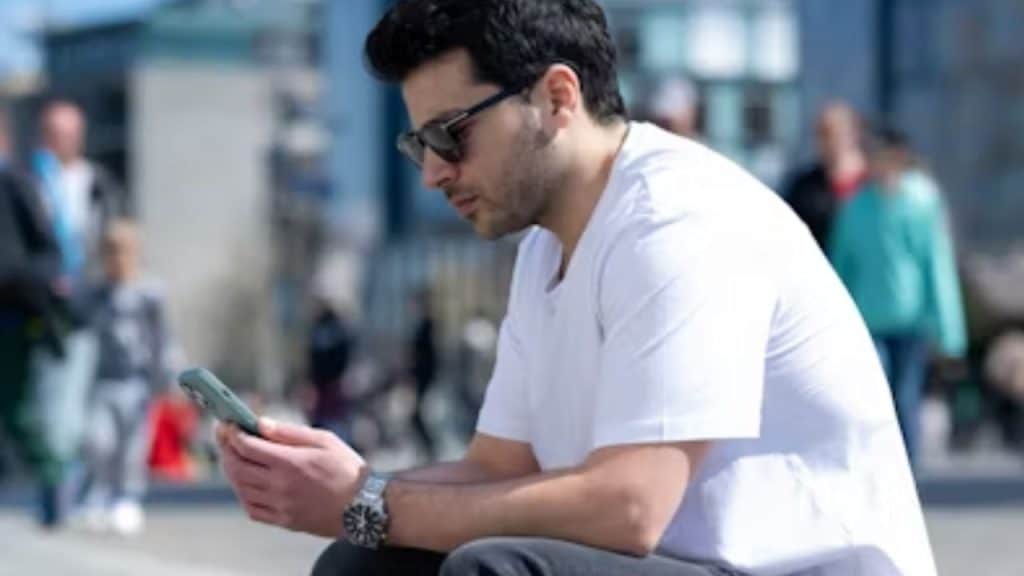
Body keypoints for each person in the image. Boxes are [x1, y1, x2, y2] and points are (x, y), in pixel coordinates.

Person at [215, 2, 935, 575]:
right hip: (682, 564)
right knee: (365, 563)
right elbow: (498, 469)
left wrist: (370, 502)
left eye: (448, 135)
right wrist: (338, 485)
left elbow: (630, 507)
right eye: (416, 146)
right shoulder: (545, 247)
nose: (432, 173)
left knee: (495, 569)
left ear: (558, 98)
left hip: (787, 566)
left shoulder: (676, 221)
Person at [830, 128, 967, 469]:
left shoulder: (922, 202)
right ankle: (874, 469)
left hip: (910, 321)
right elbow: (840, 266)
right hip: (868, 320)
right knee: (872, 400)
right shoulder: (856, 207)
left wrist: (950, 331)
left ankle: (905, 472)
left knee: (906, 399)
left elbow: (936, 264)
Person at [77, 219, 174, 535]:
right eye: (111, 252)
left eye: (123, 251)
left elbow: (163, 340)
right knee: (98, 441)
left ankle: (127, 498)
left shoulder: (149, 295)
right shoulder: (95, 293)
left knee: (131, 446)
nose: (117, 258)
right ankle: (98, 493)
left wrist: (167, 376)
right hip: (102, 381)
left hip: (136, 381)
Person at [0, 107, 66, 527]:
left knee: (17, 411)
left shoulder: (15, 184)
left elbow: (48, 255)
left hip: (11, 317)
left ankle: (53, 479)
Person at [783, 102, 868, 251]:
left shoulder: (874, 183)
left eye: (836, 132)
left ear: (854, 133)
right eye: (823, 133)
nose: (830, 141)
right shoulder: (804, 188)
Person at [407, 288, 439, 460]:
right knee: (416, 416)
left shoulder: (427, 326)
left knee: (417, 416)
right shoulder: (421, 325)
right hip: (421, 377)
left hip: (424, 378)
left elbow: (429, 356)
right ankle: (427, 449)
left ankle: (429, 449)